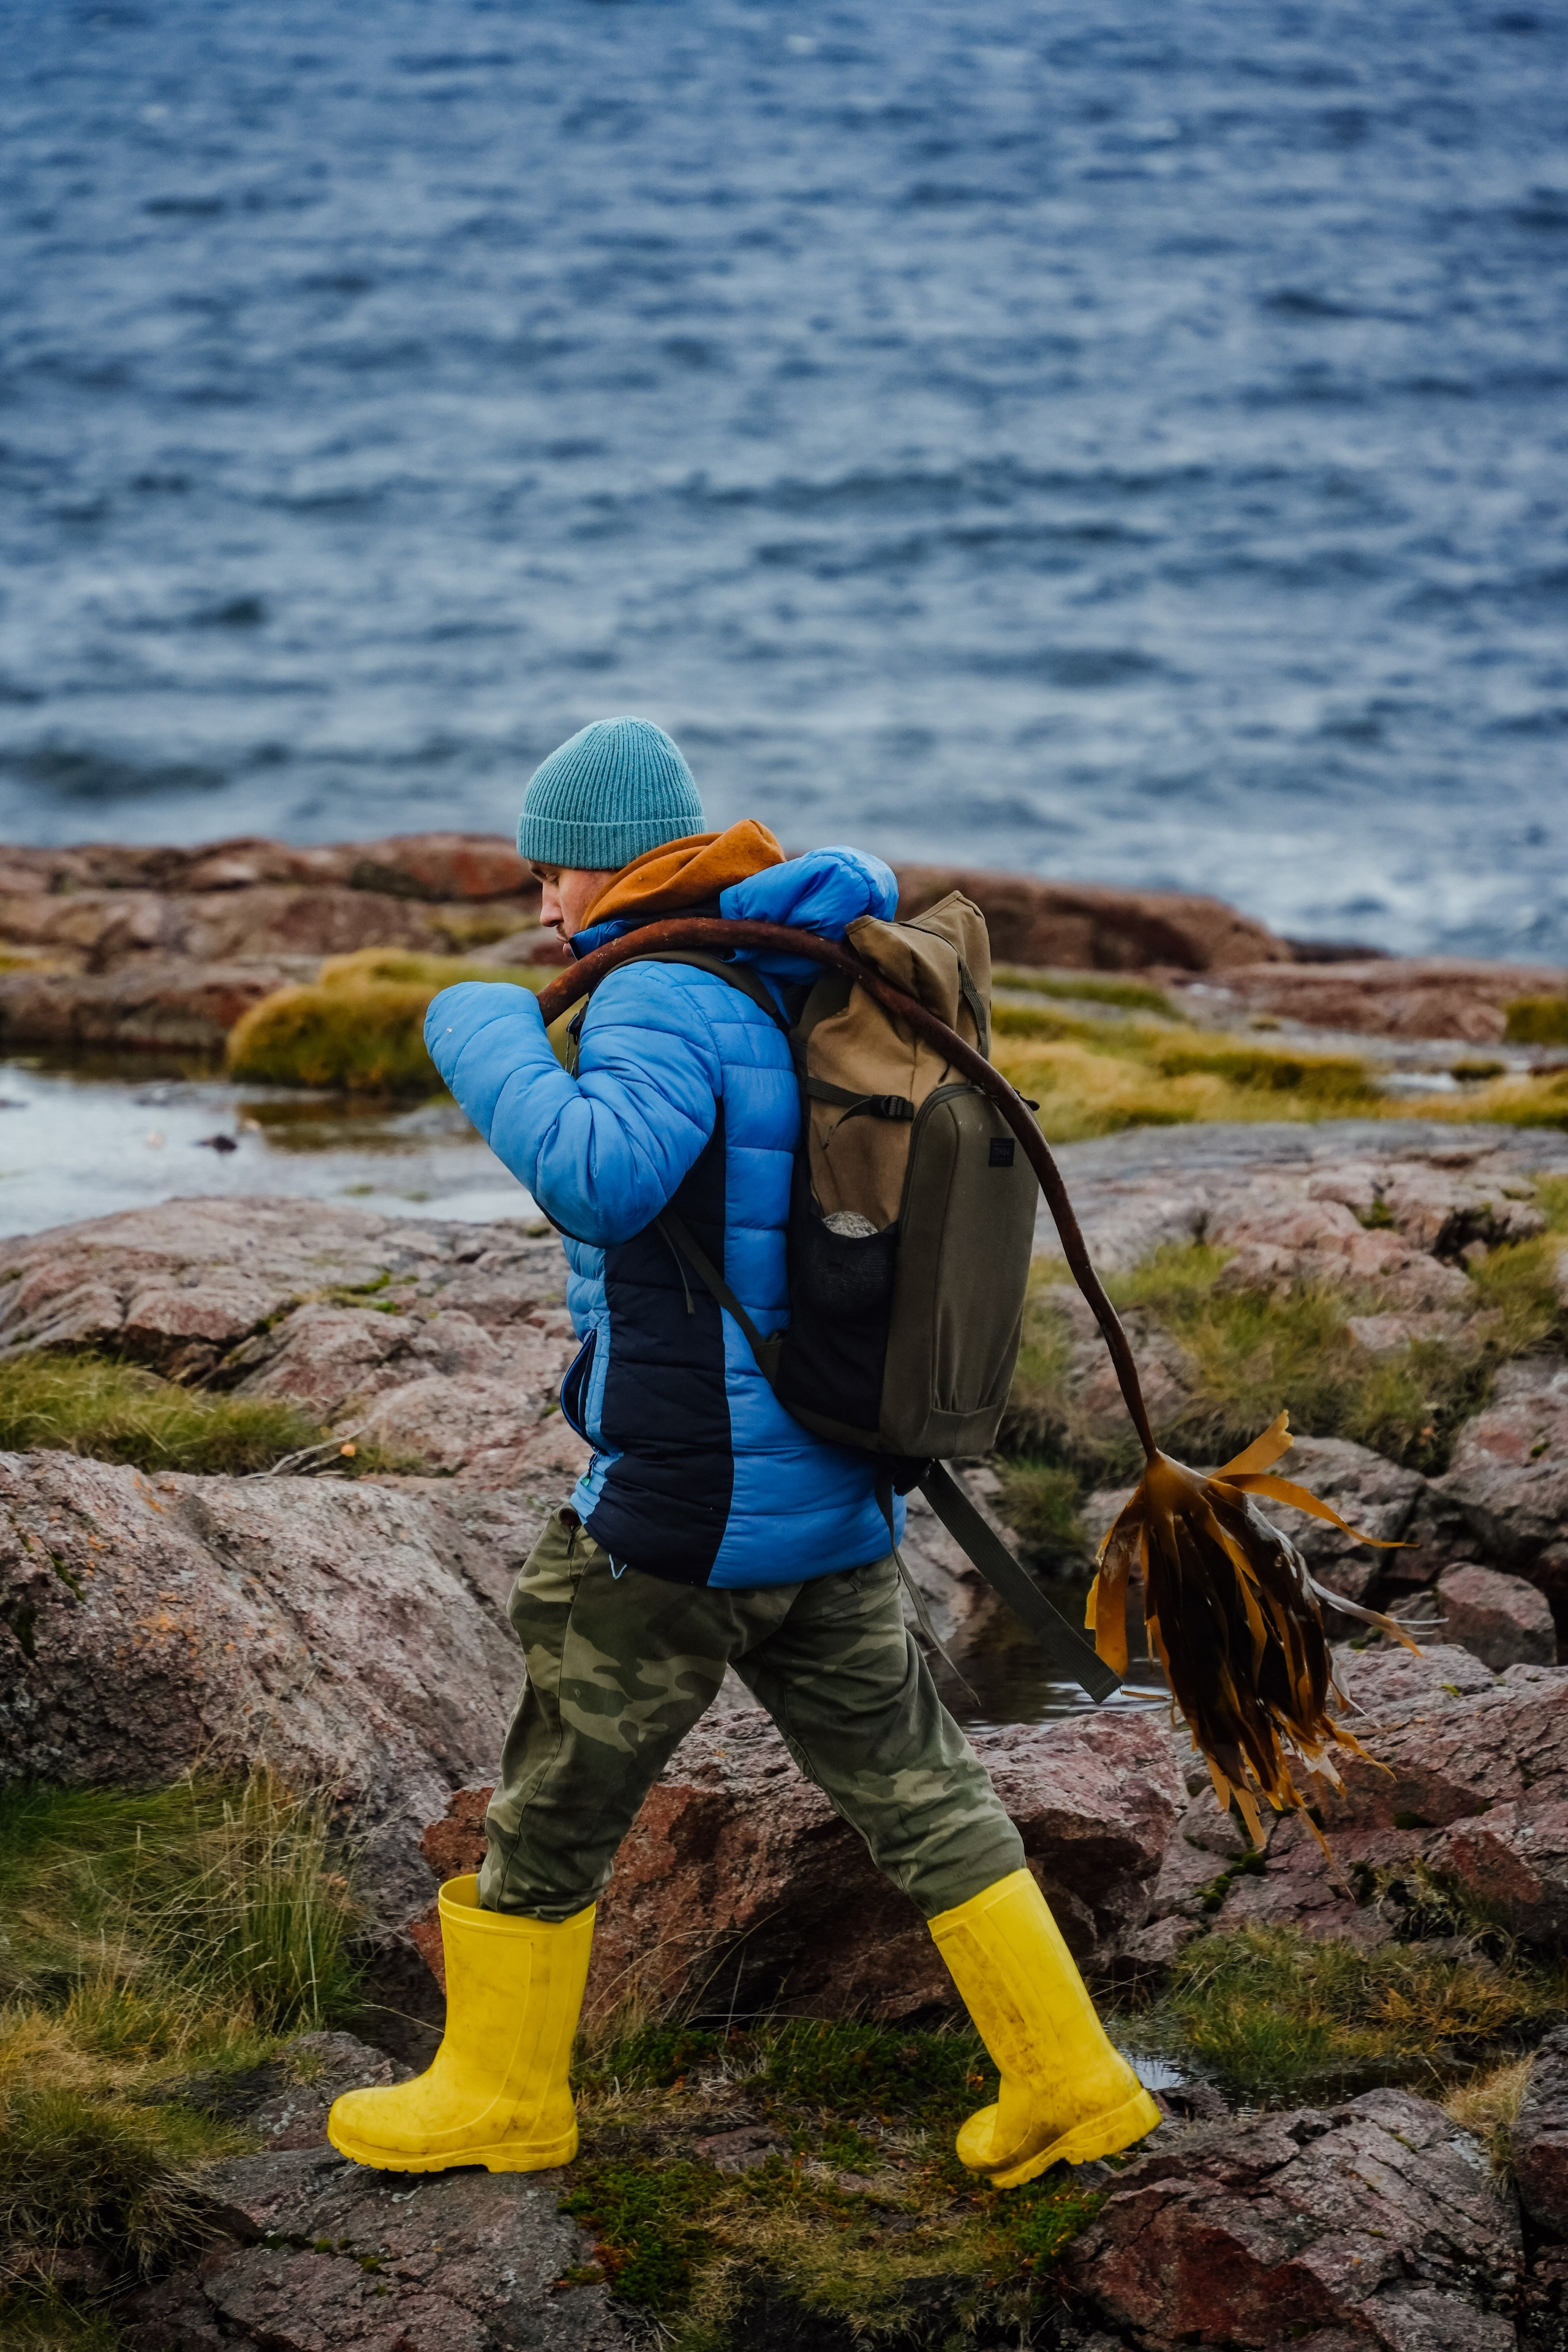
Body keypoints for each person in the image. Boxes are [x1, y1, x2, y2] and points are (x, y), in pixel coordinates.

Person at [326, 716, 1159, 2187]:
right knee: (922, 1791)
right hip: (829, 1486)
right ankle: (1072, 2079)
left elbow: (601, 1174)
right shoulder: (778, 970)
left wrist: (479, 1030)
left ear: (608, 865)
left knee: (550, 1808)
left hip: (681, 1507)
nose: (540, 910)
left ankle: (500, 2095)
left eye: (552, 876)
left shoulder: (658, 993)